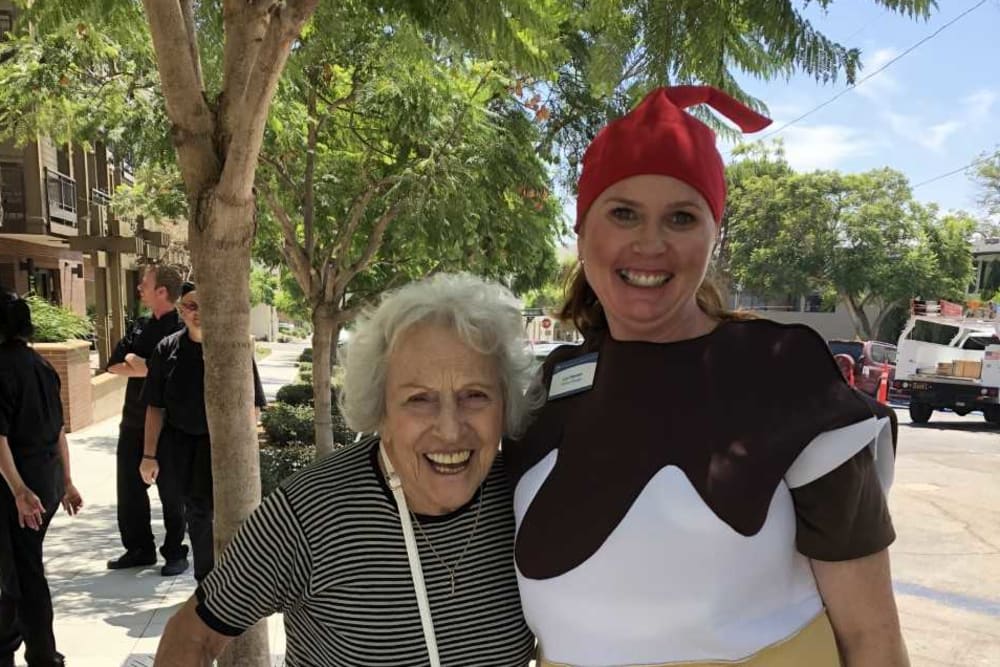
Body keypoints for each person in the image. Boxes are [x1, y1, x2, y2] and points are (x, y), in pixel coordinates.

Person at [506, 86, 909, 667]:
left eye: (681, 217)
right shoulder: (550, 388)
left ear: (712, 236)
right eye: (623, 213)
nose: (650, 243)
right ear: (582, 231)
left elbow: (872, 637)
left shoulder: (784, 377)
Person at [154, 273, 536, 666]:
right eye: (419, 399)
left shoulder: (527, 500)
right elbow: (192, 635)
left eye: (475, 395)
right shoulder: (310, 512)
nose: (451, 429)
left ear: (504, 402)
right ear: (380, 409)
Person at [139, 282, 267, 582]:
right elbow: (154, 406)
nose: (198, 313)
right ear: (181, 310)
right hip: (179, 444)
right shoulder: (166, 349)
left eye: (204, 306)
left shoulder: (232, 350)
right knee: (193, 512)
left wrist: (248, 452)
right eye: (191, 306)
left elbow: (253, 406)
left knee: (221, 513)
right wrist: (148, 455)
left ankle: (229, 580)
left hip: (222, 444)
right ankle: (206, 580)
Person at [0, 291, 83, 667]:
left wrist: (18, 490)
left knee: (23, 572)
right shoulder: (43, 366)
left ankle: (42, 655)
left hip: (18, 487)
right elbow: (59, 431)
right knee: (16, 568)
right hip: (45, 482)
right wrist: (66, 482)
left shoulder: (1, 367)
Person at [106, 264, 187, 575]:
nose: (139, 288)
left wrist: (143, 364)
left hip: (168, 426)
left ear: (162, 291)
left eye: (145, 284)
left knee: (171, 492)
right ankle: (139, 549)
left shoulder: (179, 329)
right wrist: (141, 364)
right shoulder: (139, 326)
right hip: (132, 423)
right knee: (129, 490)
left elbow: (163, 371)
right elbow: (115, 364)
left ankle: (175, 552)